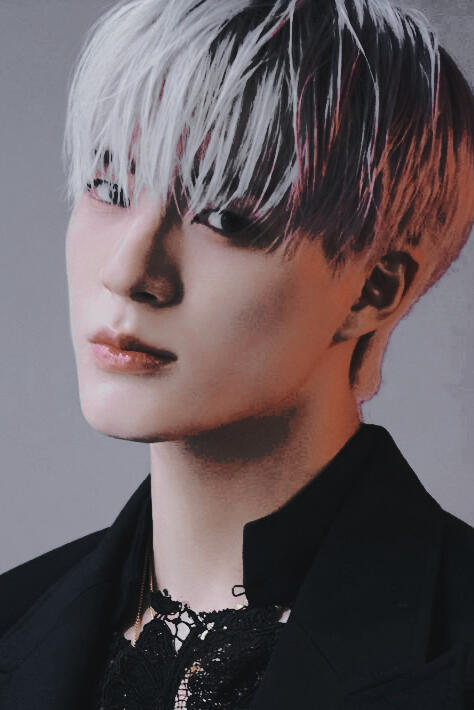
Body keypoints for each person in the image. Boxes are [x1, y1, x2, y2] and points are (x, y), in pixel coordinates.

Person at [0, 0, 473, 707]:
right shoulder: (16, 617)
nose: (127, 272)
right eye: (109, 188)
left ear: (373, 287)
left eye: (225, 217)